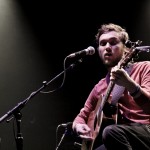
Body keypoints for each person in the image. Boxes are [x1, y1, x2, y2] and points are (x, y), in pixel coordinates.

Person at [72, 23, 150, 150]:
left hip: (146, 130)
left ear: (126, 49)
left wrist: (129, 84)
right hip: (120, 136)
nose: (107, 47)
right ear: (98, 51)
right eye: (103, 44)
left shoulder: (145, 68)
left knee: (111, 132)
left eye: (113, 42)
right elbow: (81, 116)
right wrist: (78, 126)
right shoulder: (100, 86)